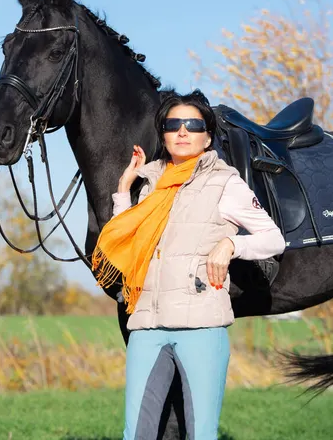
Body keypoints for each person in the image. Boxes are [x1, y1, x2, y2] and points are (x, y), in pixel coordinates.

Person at [92, 90, 285, 440]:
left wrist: (230, 244)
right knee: (136, 433)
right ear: (163, 135)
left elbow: (274, 239)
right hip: (147, 328)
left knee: (201, 434)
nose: (182, 131)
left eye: (192, 124)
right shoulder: (150, 185)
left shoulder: (225, 182)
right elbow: (128, 243)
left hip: (201, 329)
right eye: (173, 124)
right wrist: (124, 189)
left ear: (207, 136)